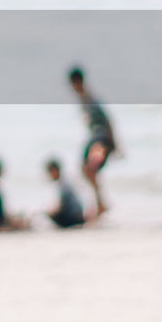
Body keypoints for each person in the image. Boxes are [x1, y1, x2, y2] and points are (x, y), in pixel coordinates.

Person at [68, 65, 116, 217]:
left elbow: (107, 121)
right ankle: (100, 203)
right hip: (94, 138)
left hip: (100, 138)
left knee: (91, 167)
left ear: (77, 82)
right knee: (87, 170)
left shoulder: (90, 99)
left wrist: (114, 142)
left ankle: (101, 204)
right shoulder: (82, 99)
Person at [44, 158, 87, 229]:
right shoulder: (65, 182)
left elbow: (61, 206)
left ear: (55, 170)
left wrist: (48, 212)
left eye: (50, 172)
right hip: (77, 216)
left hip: (74, 218)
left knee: (48, 214)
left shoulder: (64, 184)